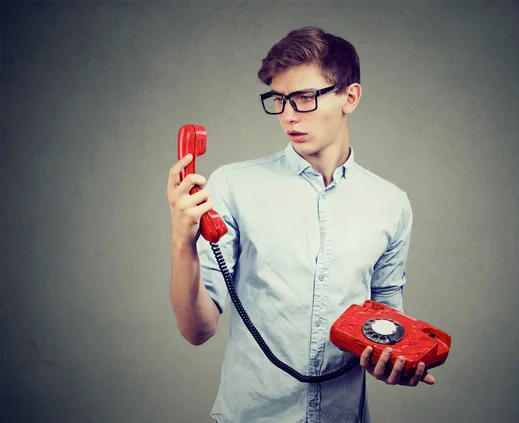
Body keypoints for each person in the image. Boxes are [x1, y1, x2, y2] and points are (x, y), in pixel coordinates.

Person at [167, 26, 435, 423]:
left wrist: (398, 362)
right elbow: (197, 330)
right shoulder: (232, 185)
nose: (289, 115)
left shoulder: (391, 203)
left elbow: (386, 324)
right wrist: (181, 240)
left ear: (350, 97)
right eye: (279, 100)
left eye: (304, 98)